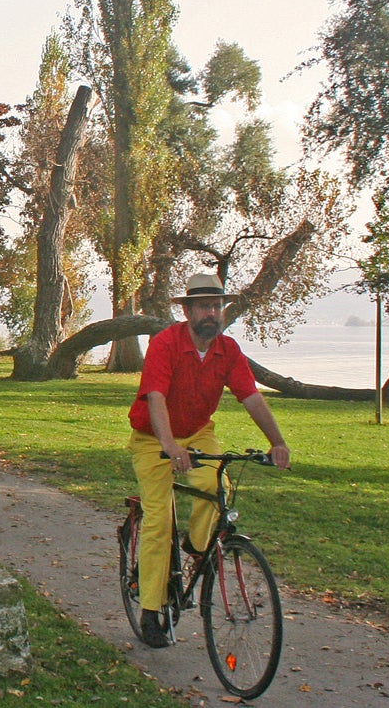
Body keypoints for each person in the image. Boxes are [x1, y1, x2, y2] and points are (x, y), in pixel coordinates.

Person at [128, 272, 291, 648]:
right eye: (204, 306)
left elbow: (251, 397)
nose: (212, 313)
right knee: (159, 521)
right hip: (154, 436)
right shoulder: (166, 344)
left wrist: (277, 442)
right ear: (187, 311)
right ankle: (151, 610)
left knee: (215, 487)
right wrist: (169, 446)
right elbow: (155, 397)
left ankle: (197, 547)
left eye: (217, 306)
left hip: (198, 433)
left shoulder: (228, 350)